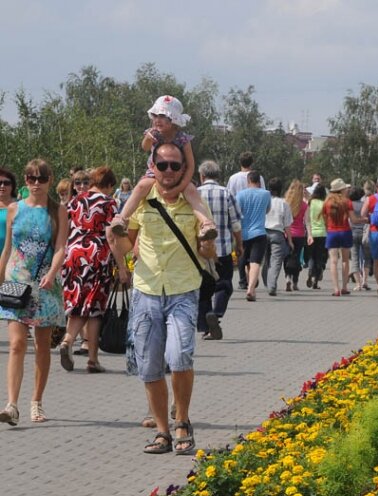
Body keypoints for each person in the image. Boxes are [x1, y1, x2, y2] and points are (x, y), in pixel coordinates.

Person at [107, 142, 216, 454]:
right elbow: (127, 243)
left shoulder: (193, 202)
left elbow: (209, 250)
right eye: (163, 165)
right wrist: (121, 250)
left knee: (180, 356)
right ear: (152, 167)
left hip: (183, 289)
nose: (169, 171)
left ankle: (182, 420)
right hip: (146, 290)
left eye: (174, 166)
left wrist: (207, 243)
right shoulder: (141, 200)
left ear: (183, 169)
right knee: (149, 365)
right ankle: (163, 432)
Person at [0, 159, 67, 426]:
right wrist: (1, 276)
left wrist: (52, 273)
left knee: (41, 346)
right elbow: (7, 248)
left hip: (44, 286)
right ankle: (11, 404)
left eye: (41, 178)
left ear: (50, 179)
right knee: (16, 344)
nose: (35, 183)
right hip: (16, 281)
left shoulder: (57, 210)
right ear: (25, 181)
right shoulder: (15, 209)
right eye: (30, 178)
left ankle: (36, 401)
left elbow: (61, 246)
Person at [110, 95, 216, 241]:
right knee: (141, 187)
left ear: (173, 120)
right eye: (155, 115)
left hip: (180, 173)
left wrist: (180, 187)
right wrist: (147, 138)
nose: (157, 120)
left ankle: (206, 223)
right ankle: (122, 219)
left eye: (162, 116)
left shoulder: (182, 139)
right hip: (155, 173)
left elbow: (191, 166)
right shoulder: (153, 133)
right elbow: (144, 147)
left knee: (191, 192)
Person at [59, 166, 129, 373]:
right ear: (108, 185)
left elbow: (65, 227)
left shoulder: (75, 200)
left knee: (77, 302)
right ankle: (91, 358)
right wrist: (122, 268)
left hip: (72, 255)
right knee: (95, 309)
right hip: (96, 256)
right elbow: (111, 236)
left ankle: (68, 341)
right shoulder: (109, 203)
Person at [196, 160, 243, 340]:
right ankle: (216, 313)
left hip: (200, 252)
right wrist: (239, 244)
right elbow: (236, 224)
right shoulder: (226, 193)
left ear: (202, 176)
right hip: (222, 249)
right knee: (224, 285)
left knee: (203, 289)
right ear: (217, 175)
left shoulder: (195, 193)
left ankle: (205, 327)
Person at [322, 178, 365, 296]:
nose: (347, 190)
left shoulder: (327, 202)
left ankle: (336, 289)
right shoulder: (347, 202)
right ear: (341, 190)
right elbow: (354, 220)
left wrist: (328, 229)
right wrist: (366, 219)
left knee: (333, 261)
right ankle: (344, 287)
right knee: (345, 260)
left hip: (332, 233)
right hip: (345, 232)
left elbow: (325, 220)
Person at [236, 170, 271, 302]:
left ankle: (249, 285)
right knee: (255, 262)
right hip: (259, 232)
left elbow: (237, 212)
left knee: (245, 261)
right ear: (259, 181)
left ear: (248, 180)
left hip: (244, 233)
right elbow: (267, 210)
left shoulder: (240, 194)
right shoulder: (266, 194)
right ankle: (251, 289)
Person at [262, 178, 293, 296]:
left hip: (263, 232)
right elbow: (287, 225)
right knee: (276, 261)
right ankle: (272, 285)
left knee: (266, 260)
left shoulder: (264, 201)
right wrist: (290, 241)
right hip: (277, 234)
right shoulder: (284, 203)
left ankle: (267, 283)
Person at [283, 180, 309, 292]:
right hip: (299, 235)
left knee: (287, 257)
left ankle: (287, 277)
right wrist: (310, 235)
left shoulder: (285, 203)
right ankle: (295, 282)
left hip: (286, 234)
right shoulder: (304, 205)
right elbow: (307, 221)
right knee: (297, 257)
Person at [348, 185, 370, 291]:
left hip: (352, 233)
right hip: (365, 233)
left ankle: (358, 283)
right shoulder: (364, 204)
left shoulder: (349, 205)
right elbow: (368, 217)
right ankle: (365, 281)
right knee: (366, 257)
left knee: (355, 259)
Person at [306, 185, 327, 290]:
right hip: (323, 233)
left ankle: (310, 270)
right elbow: (327, 220)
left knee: (311, 256)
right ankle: (316, 282)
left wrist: (309, 233)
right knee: (320, 257)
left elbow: (307, 219)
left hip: (312, 233)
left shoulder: (311, 203)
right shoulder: (325, 204)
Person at [0, 168, 18, 253]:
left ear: (12, 186)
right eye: (0, 183)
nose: (2, 186)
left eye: (6, 183)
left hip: (13, 256)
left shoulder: (20, 206)